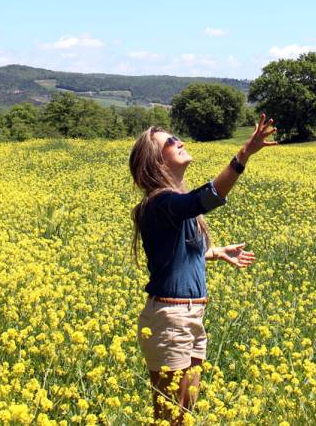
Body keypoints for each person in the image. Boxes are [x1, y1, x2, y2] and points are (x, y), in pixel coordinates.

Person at [128, 113, 277, 424]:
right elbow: (206, 198)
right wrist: (243, 156)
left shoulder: (171, 206)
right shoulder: (159, 204)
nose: (178, 141)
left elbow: (175, 253)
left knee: (185, 413)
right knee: (171, 417)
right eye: (169, 142)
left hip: (191, 316)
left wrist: (216, 252)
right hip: (170, 320)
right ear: (156, 161)